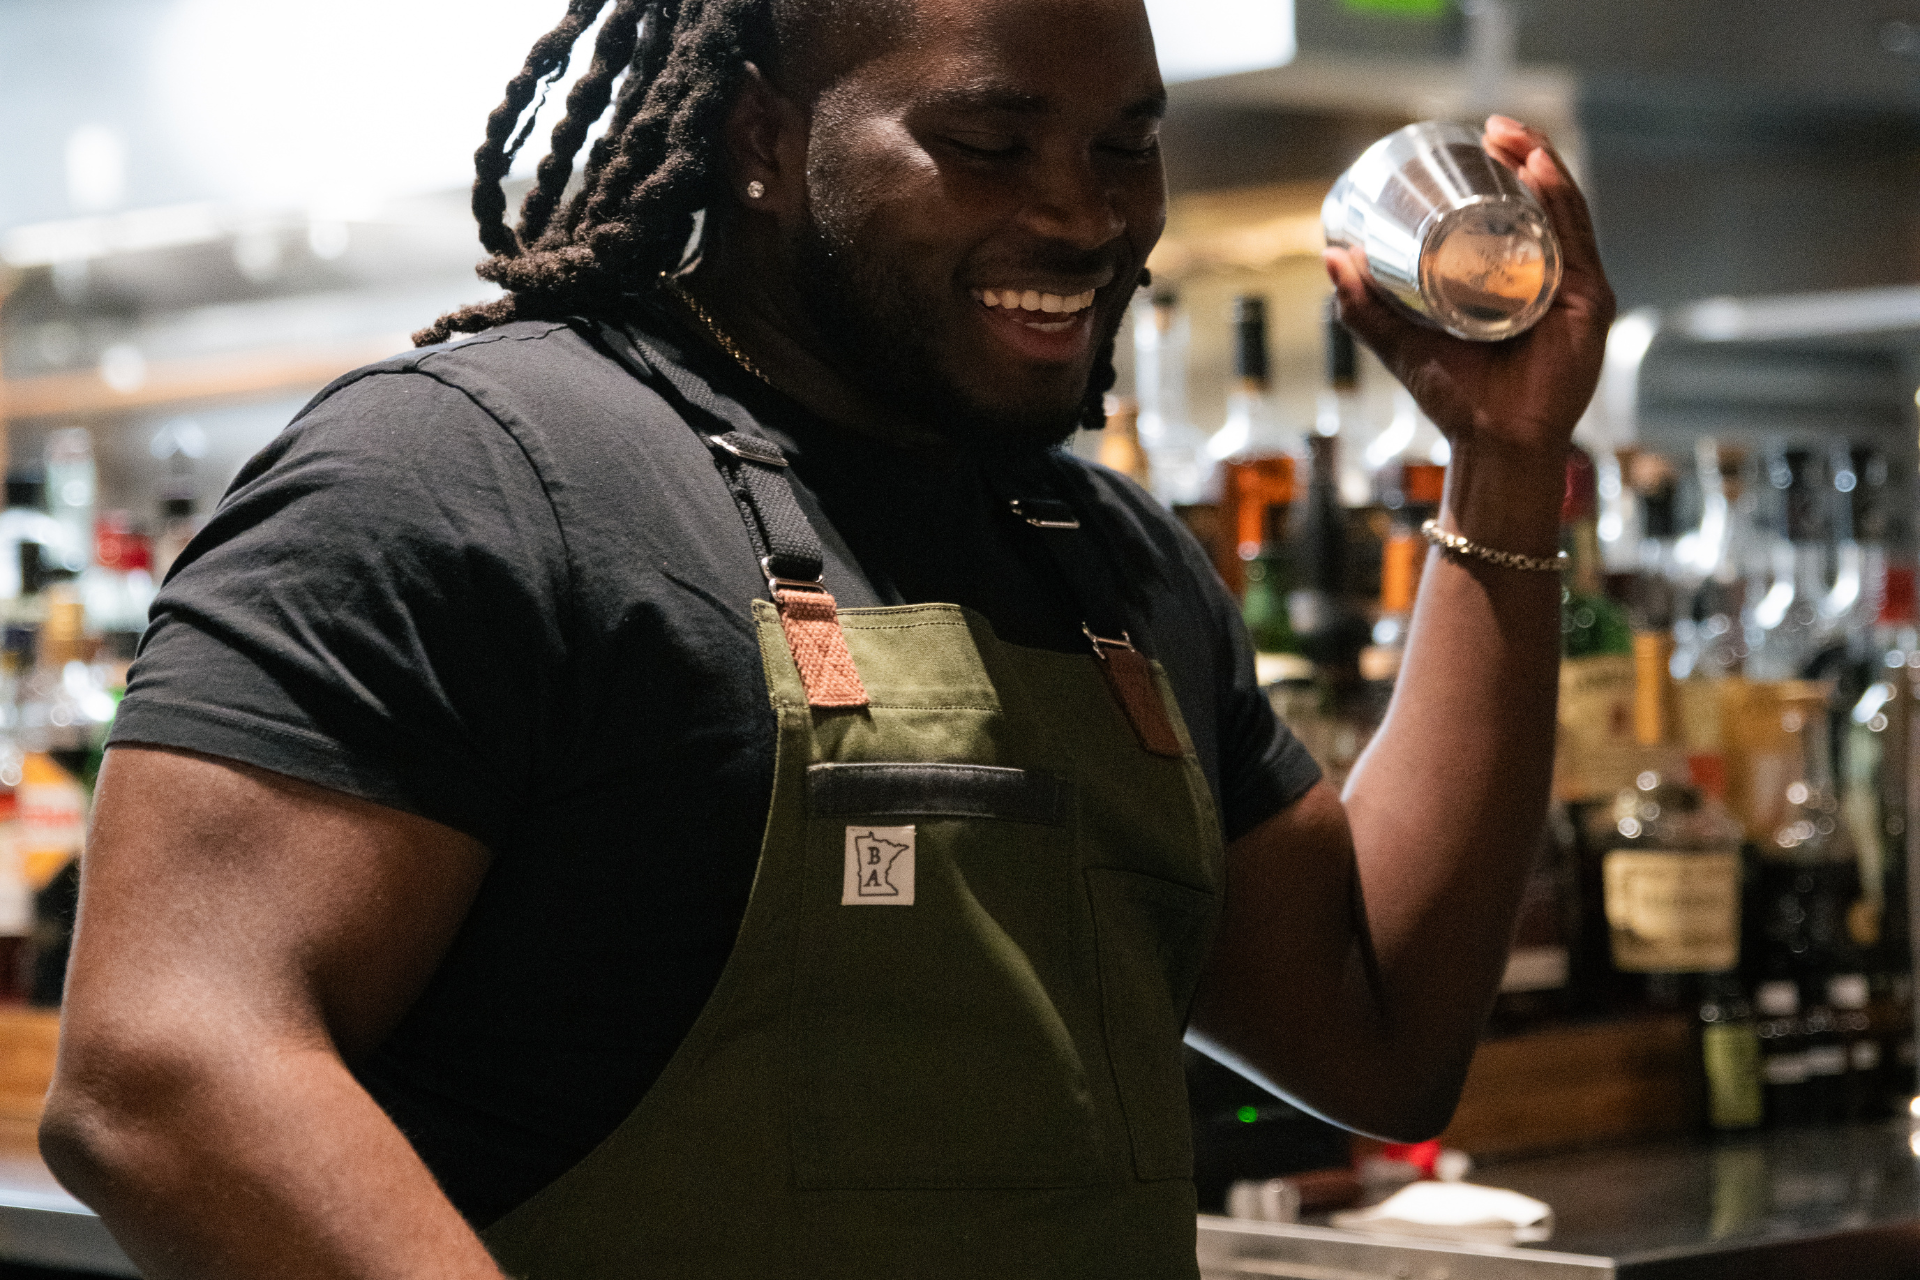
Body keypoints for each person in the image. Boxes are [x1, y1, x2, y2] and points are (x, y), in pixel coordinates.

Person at [38, 0, 1613, 1276]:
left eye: (1125, 146)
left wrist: (1507, 461)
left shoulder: (1102, 555)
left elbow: (1379, 1030)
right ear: (762, 142)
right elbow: (165, 1071)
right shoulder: (471, 476)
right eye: (990, 143)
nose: (1080, 210)